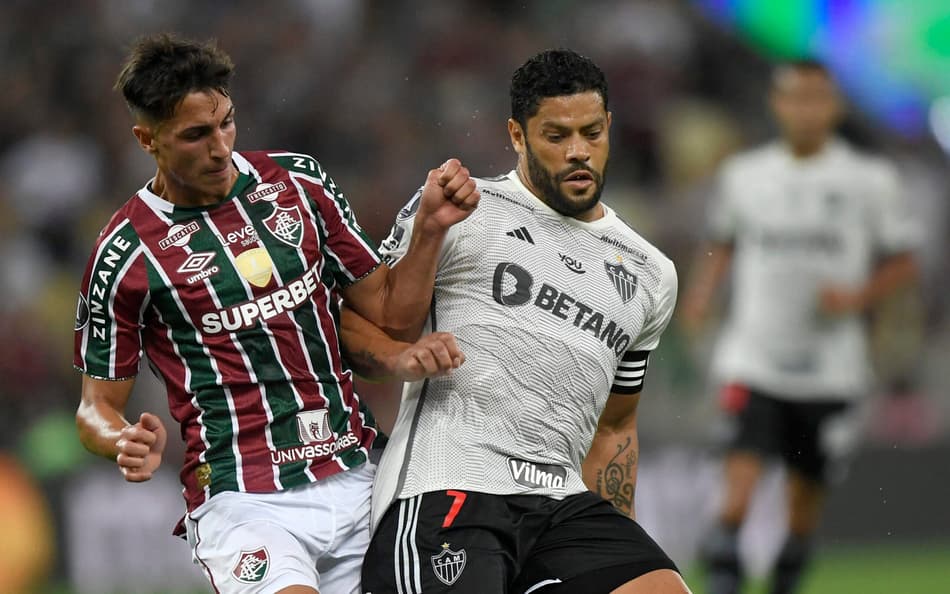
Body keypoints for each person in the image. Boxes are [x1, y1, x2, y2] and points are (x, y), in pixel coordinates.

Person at [73, 33, 478, 594]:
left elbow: (390, 312)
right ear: (148, 139)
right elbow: (95, 408)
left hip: (358, 472)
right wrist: (120, 439)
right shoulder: (125, 252)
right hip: (244, 498)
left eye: (227, 124)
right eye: (196, 135)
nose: (220, 148)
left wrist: (431, 230)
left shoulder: (299, 183)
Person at [343, 49, 691, 594]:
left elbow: (617, 426)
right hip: (451, 486)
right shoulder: (460, 210)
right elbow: (355, 323)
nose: (579, 151)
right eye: (556, 136)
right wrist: (398, 357)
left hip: (563, 504)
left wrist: (610, 533)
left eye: (592, 132)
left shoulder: (652, 272)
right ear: (517, 134)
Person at [681, 60, 918, 594]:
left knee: (803, 507)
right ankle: (724, 574)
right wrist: (699, 296)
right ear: (777, 104)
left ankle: (786, 573)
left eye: (817, 98)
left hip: (831, 366)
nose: (806, 109)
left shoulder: (869, 181)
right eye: (795, 97)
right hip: (754, 356)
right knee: (735, 496)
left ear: (832, 106)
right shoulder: (744, 175)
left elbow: (905, 260)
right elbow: (724, 242)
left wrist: (859, 295)